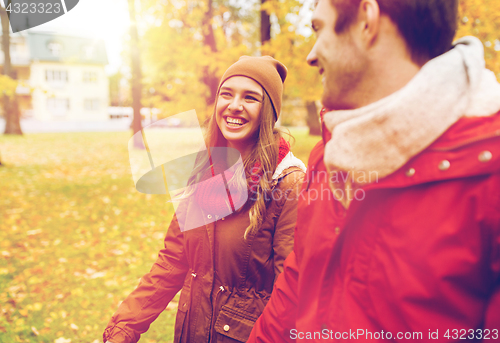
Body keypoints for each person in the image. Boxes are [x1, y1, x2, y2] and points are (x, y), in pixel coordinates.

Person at [248, 0, 500, 342]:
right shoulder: (329, 155)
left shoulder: (488, 172)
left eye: (319, 29)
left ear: (367, 20)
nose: (310, 55)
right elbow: (296, 285)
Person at [102, 56, 306, 343]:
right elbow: (172, 261)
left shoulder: (288, 182)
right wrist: (124, 327)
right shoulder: (204, 171)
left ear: (268, 112)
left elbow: (293, 292)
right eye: (227, 93)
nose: (235, 105)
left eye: (250, 97)